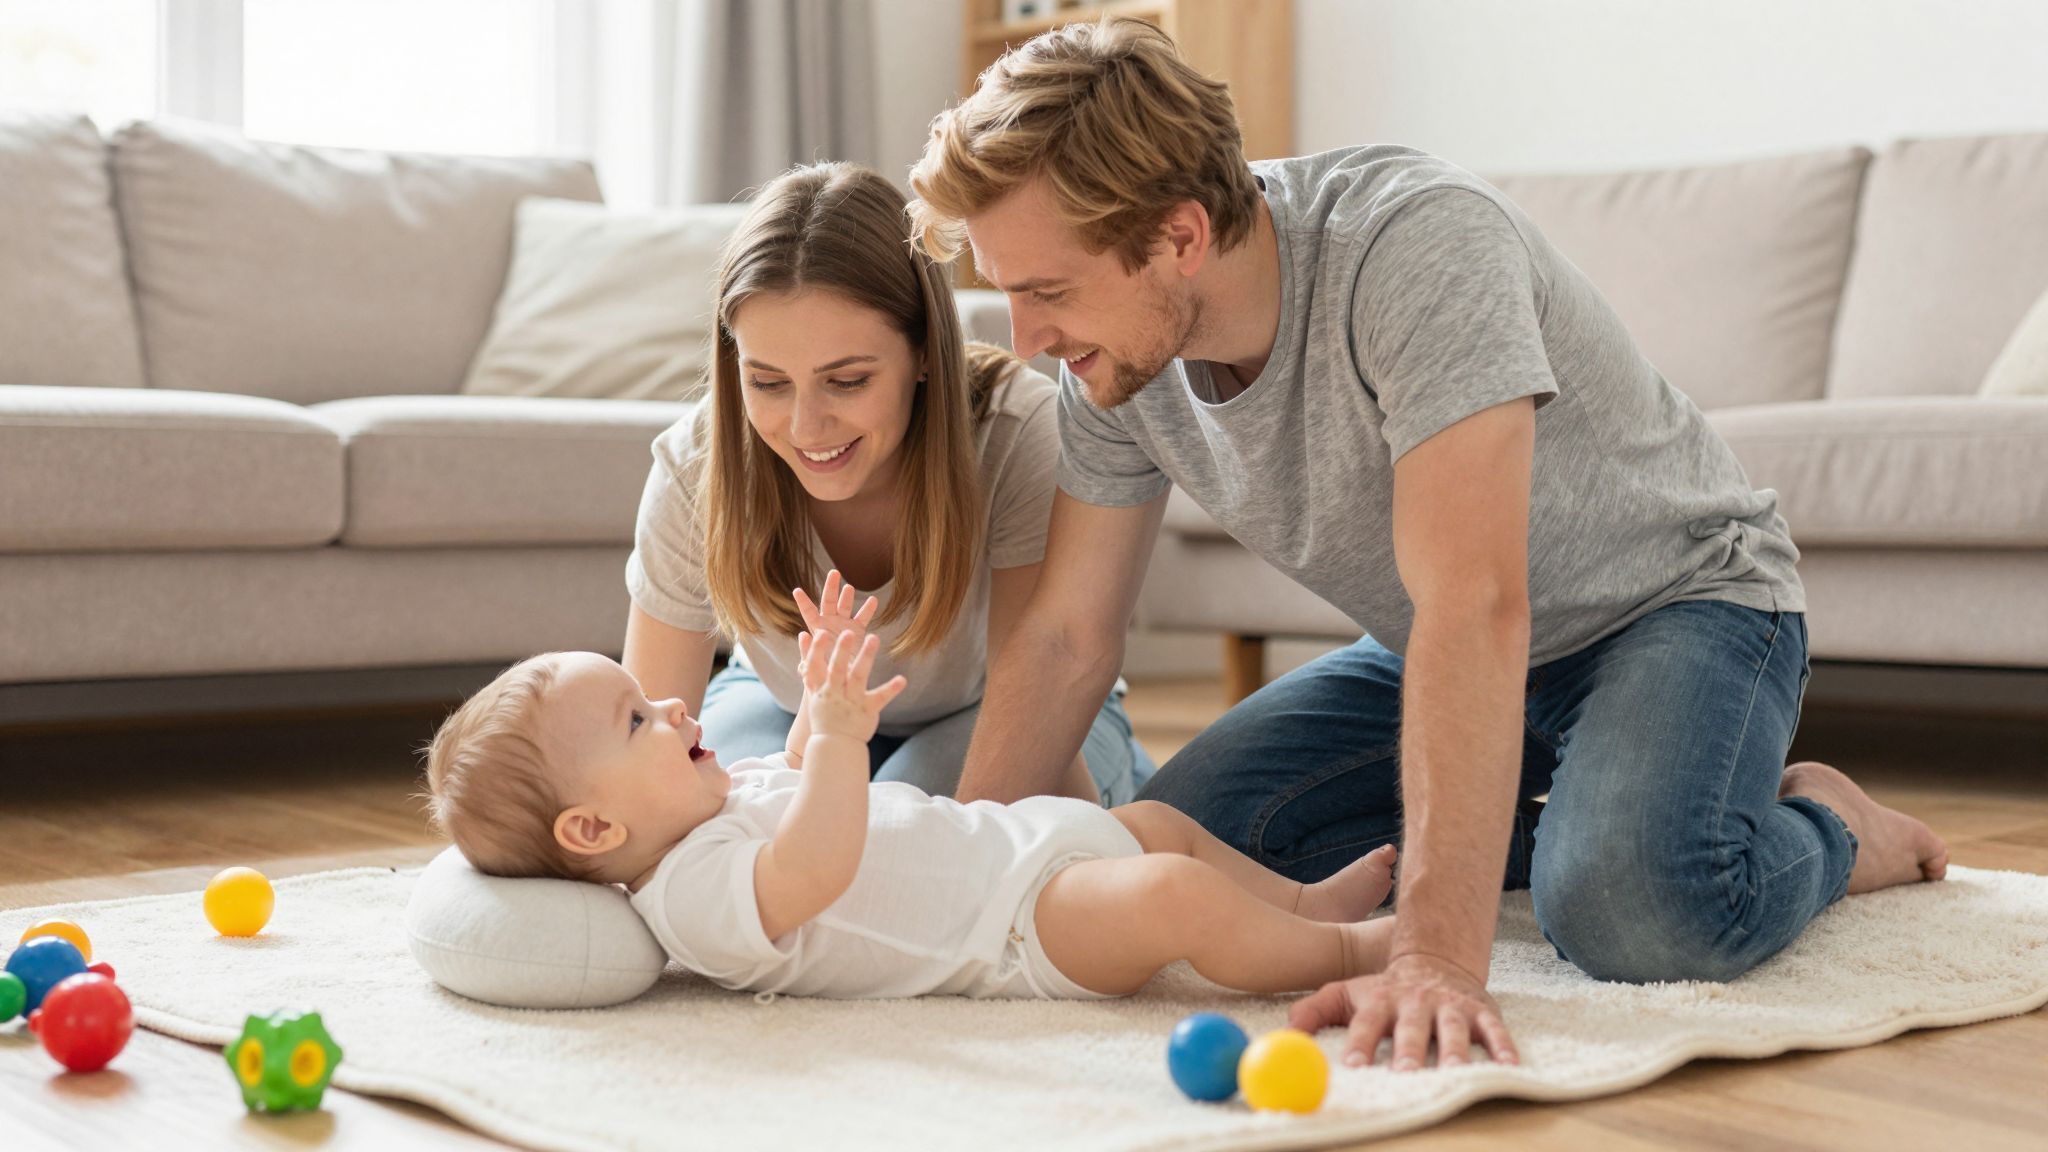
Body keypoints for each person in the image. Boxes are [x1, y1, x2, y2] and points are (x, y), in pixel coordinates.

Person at [905, 18, 1948, 1067]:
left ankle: (1825, 827)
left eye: (1045, 292)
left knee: (1634, 911)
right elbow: (1066, 640)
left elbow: (1474, 602)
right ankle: (1611, 812)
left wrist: (1436, 960)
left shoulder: (1411, 244)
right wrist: (948, 892)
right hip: (1436, 648)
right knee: (1195, 847)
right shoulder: (1111, 354)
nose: (1023, 339)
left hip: (1677, 608)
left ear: (1177, 236)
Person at [421, 579, 1402, 1001]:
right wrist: (848, 737)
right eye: (637, 721)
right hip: (1016, 935)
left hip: (1014, 845)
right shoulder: (691, 900)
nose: (677, 710)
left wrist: (816, 702)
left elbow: (800, 773)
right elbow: (813, 861)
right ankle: (1344, 950)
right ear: (591, 828)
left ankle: (1300, 902)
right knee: (1168, 896)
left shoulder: (713, 804)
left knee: (1155, 826)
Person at [621, 162, 1150, 805]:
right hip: (785, 706)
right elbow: (644, 755)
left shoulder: (1015, 434)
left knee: (899, 824)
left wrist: (1070, 848)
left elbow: (1043, 688)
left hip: (995, 710)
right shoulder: (696, 463)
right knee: (725, 815)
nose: (807, 426)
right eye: (767, 382)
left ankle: (1130, 773)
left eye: (847, 381)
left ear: (925, 351)